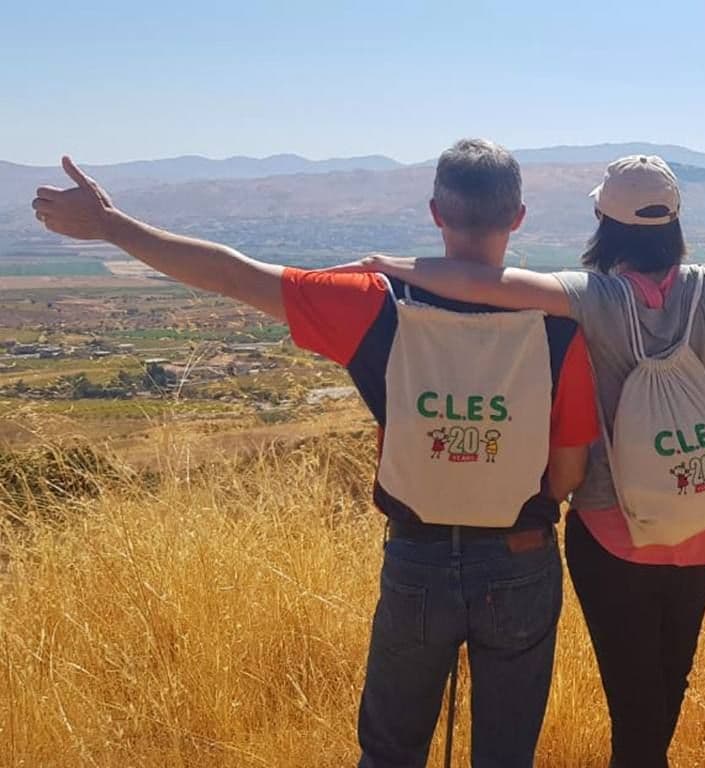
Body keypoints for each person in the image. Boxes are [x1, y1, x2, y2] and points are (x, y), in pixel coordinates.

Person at [31, 139, 600, 768]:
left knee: (390, 753)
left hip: (419, 558)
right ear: (518, 218)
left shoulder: (372, 304)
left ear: (436, 212)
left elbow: (229, 273)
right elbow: (568, 472)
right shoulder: (559, 321)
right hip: (521, 560)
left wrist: (111, 226)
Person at [337, 156, 705, 768]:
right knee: (663, 702)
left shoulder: (587, 295)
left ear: (602, 223)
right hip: (700, 527)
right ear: (674, 223)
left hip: (611, 535)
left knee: (634, 706)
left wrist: (392, 266)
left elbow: (488, 283)